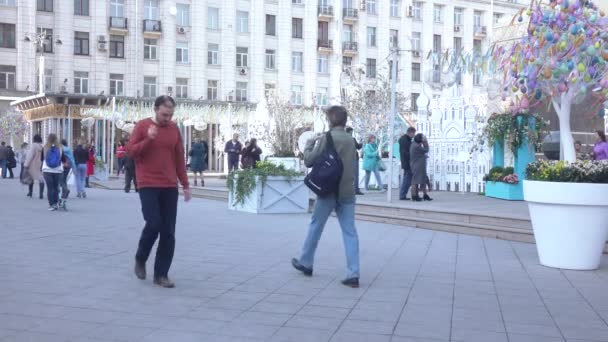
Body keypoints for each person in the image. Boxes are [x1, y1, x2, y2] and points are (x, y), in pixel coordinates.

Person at [291, 105, 360, 288]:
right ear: (344, 121)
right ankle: (353, 273)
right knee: (350, 232)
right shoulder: (351, 140)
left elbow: (309, 160)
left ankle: (306, 262)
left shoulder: (327, 138)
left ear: (330, 121)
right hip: (347, 192)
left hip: (327, 191)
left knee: (316, 226)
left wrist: (308, 146)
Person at [127, 95, 191, 288]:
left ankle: (161, 275)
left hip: (169, 185)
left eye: (170, 115)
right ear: (155, 109)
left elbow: (179, 158)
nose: (167, 118)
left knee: (168, 231)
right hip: (148, 183)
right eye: (164, 114)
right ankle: (141, 257)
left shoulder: (174, 130)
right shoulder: (142, 126)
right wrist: (148, 138)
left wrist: (185, 184)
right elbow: (130, 152)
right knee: (153, 222)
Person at [42, 134, 66, 211]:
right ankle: (56, 203)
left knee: (50, 188)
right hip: (58, 170)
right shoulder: (60, 148)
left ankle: (51, 204)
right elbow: (63, 159)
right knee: (56, 187)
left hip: (47, 170)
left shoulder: (45, 147)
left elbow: (41, 159)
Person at [410, 133, 432, 202]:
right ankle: (414, 196)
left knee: (423, 180)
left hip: (419, 165)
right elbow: (426, 150)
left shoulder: (414, 144)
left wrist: (423, 156)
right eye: (422, 138)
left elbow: (419, 154)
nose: (424, 139)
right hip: (417, 165)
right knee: (416, 181)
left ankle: (424, 195)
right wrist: (425, 142)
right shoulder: (416, 146)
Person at [23, 134, 45, 199]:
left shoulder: (34, 146)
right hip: (41, 164)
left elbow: (30, 156)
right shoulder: (42, 146)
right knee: (41, 179)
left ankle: (30, 192)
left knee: (31, 179)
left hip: (33, 164)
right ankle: (41, 194)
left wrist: (26, 164)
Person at [399, 127, 416, 200]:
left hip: (406, 162)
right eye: (413, 133)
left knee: (407, 178)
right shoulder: (405, 140)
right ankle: (402, 195)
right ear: (410, 132)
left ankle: (403, 194)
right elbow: (405, 152)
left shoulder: (405, 140)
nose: (414, 135)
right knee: (407, 179)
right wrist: (412, 155)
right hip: (407, 162)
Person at [346, 127, 364, 195]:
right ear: (350, 132)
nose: (352, 133)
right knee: (355, 175)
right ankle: (356, 189)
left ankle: (348, 189)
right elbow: (358, 147)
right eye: (351, 132)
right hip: (353, 158)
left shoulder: (343, 139)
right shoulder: (352, 139)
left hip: (346, 159)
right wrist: (361, 143)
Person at [59, 139, 76, 206]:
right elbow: (72, 158)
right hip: (68, 166)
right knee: (64, 179)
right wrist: (74, 168)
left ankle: (65, 190)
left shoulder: (59, 148)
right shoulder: (68, 149)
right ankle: (64, 193)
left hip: (61, 166)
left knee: (61, 181)